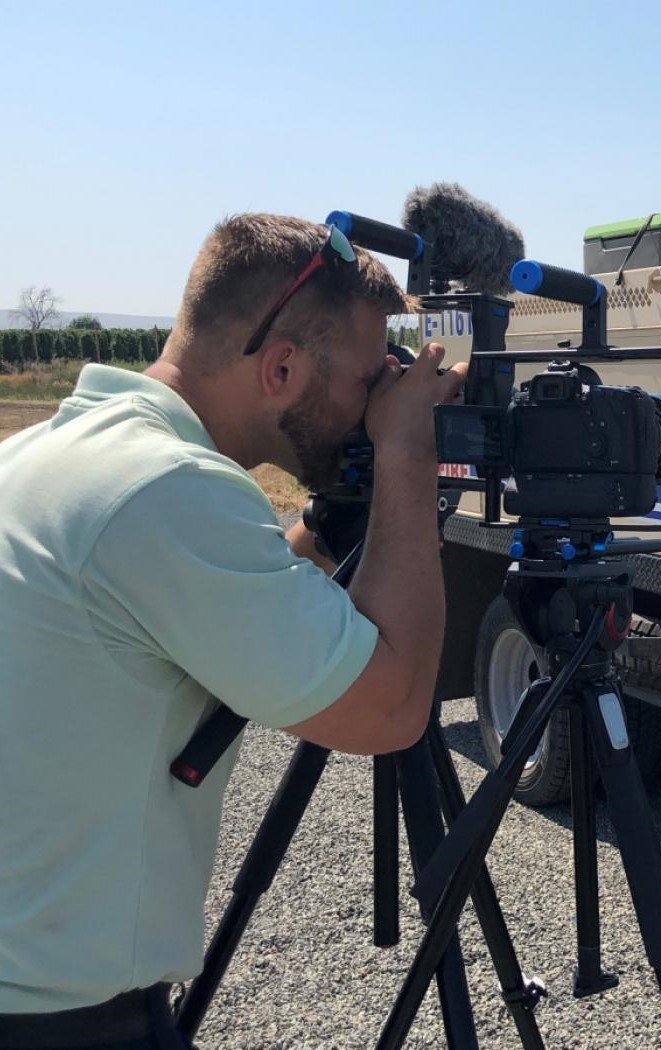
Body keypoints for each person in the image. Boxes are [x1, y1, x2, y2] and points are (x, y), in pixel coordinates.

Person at [0, 214, 466, 1048]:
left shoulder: (57, 454)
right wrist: (407, 457)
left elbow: (215, 606)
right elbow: (392, 708)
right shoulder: (168, 490)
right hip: (59, 1021)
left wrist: (327, 528)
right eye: (369, 381)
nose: (376, 404)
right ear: (282, 367)